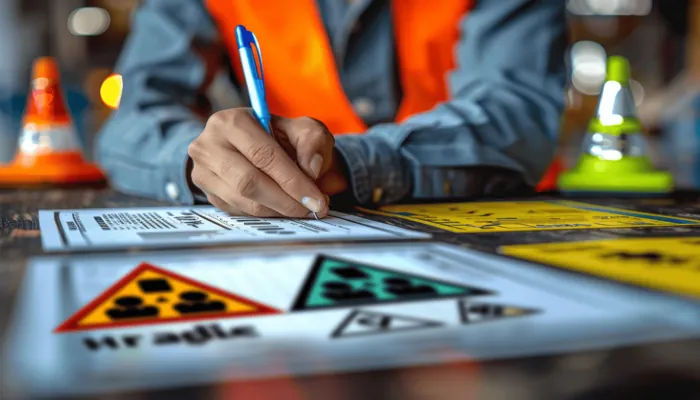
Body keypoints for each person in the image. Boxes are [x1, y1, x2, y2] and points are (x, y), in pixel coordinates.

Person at [97, 0, 567, 219]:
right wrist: (204, 161)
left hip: (500, 219)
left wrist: (353, 164)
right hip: (287, 228)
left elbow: (517, 110)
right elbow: (136, 115)